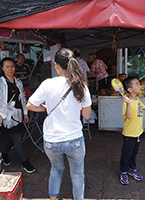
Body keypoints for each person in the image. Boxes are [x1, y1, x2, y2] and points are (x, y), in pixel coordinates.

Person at [26, 48, 91, 200]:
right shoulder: (82, 86)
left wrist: (45, 108)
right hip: (74, 139)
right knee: (77, 175)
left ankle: (53, 198)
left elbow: (30, 105)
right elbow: (86, 116)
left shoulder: (47, 84)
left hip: (52, 140)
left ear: (56, 65)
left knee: (56, 169)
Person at [0, 57, 35, 173]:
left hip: (17, 114)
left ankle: (4, 154)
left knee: (13, 137)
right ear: (2, 68)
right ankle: (24, 162)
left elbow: (22, 98)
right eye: (7, 67)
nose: (10, 69)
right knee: (17, 138)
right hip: (6, 116)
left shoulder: (18, 82)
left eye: (12, 66)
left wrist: (25, 113)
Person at [119, 77, 145, 185]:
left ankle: (131, 169)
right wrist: (128, 104)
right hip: (129, 134)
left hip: (138, 133)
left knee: (134, 154)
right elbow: (128, 117)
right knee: (126, 154)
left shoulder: (138, 100)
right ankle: (123, 171)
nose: (140, 86)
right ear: (130, 89)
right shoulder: (127, 102)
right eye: (137, 84)